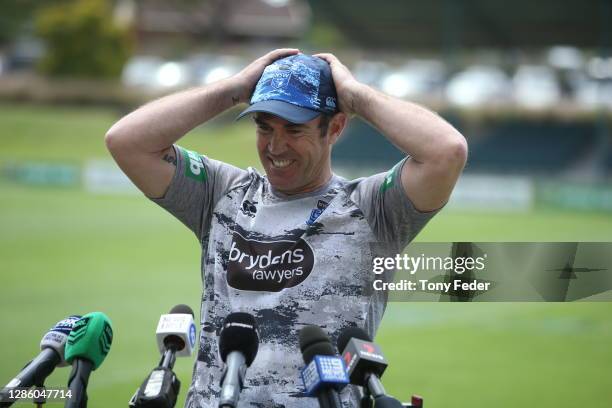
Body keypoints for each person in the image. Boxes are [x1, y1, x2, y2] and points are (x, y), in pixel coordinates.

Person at [105, 48, 467, 407]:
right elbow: (127, 142)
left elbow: (446, 151)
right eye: (264, 127)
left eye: (294, 129)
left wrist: (355, 96)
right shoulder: (221, 193)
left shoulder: (371, 209)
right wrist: (231, 90)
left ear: (336, 127)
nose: (276, 146)